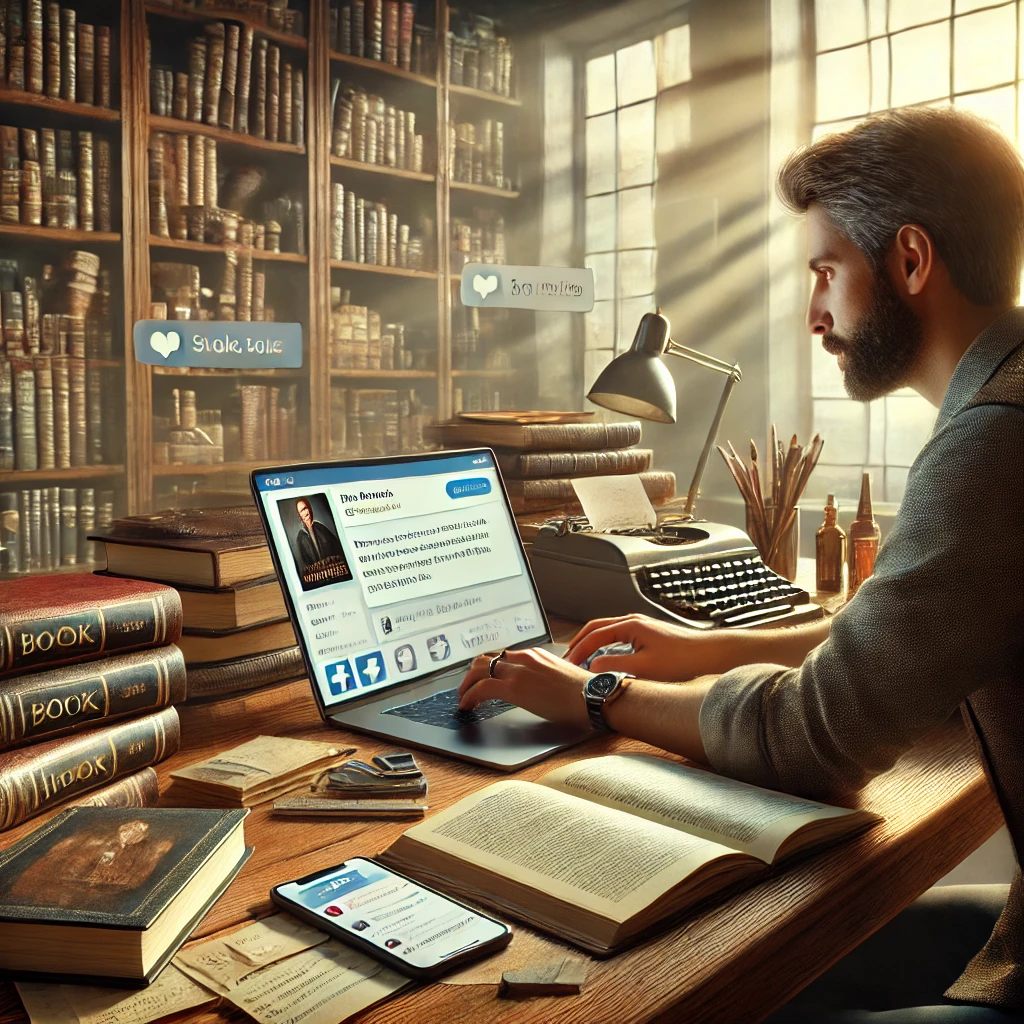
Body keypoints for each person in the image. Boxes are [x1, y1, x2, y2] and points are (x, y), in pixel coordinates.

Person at [459, 107, 1024, 1022]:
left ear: (911, 261)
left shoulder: (993, 443)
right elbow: (912, 627)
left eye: (826, 271)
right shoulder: (1007, 398)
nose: (815, 315)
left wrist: (595, 697)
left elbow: (816, 740)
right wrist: (695, 650)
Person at [294, 497, 343, 572]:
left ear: (309, 509)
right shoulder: (301, 537)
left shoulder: (320, 527)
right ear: (299, 515)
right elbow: (304, 561)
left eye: (305, 508)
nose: (305, 512)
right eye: (301, 511)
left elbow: (337, 547)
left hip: (333, 570)